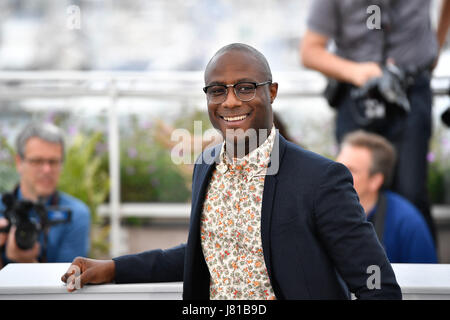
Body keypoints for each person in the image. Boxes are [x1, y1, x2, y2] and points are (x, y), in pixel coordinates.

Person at [62, 43, 401, 300]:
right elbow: (206, 251)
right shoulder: (205, 165)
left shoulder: (320, 179)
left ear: (271, 92)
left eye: (245, 87)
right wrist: (113, 269)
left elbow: (377, 285)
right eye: (217, 90)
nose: (230, 101)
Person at [300, 0, 450, 244]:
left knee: (412, 193)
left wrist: (435, 46)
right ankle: (360, 273)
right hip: (358, 97)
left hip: (411, 92)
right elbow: (309, 51)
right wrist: (356, 72)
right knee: (352, 194)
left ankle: (421, 275)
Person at [336, 130, 438, 263]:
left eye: (350, 170)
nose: (337, 176)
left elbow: (426, 280)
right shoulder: (320, 211)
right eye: (336, 167)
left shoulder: (407, 224)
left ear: (375, 181)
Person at [0, 122, 90, 268]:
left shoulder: (74, 214)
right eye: (37, 161)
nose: (47, 169)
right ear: (19, 162)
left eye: (53, 162)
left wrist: (27, 262)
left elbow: (70, 283)